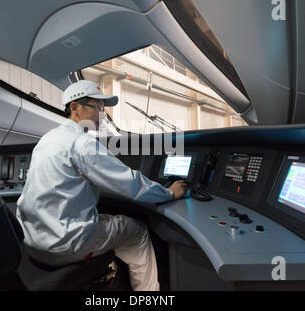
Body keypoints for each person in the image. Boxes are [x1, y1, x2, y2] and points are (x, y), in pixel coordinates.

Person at [16, 80, 188, 291]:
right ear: (74, 107)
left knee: (111, 221)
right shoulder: (82, 143)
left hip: (34, 243)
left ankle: (113, 274)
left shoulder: (47, 139)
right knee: (138, 231)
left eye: (102, 109)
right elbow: (129, 183)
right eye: (97, 107)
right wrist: (169, 193)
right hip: (64, 245)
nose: (101, 115)